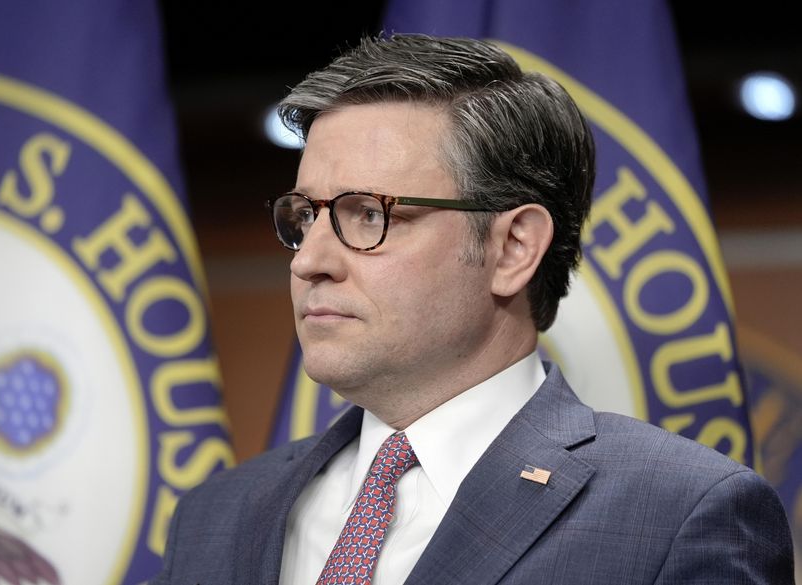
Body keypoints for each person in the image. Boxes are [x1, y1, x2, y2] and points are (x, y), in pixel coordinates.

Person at [151, 34, 794, 584]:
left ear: (513, 248)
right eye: (304, 217)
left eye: (367, 214)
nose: (307, 260)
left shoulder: (678, 516)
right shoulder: (215, 516)